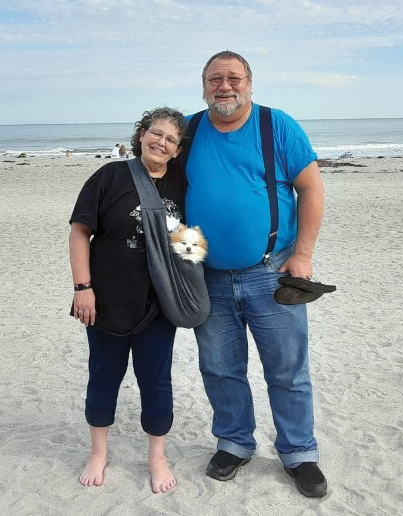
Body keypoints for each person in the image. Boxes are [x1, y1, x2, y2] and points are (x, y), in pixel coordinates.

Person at [184, 51, 327, 497]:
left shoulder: (276, 124)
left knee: (287, 371)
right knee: (220, 368)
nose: (224, 87)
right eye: (214, 79)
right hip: (207, 277)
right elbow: (160, 194)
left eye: (233, 78)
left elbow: (311, 188)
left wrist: (302, 254)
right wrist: (182, 256)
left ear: (249, 82)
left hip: (271, 272)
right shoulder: (187, 131)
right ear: (203, 85)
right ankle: (234, 443)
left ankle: (299, 453)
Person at [69, 107, 187, 493]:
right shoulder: (110, 176)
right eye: (156, 134)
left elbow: (190, 240)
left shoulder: (182, 186)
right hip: (106, 302)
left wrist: (193, 274)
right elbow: (79, 232)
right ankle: (98, 452)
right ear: (141, 135)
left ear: (177, 149)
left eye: (170, 139)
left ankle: (157, 456)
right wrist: (82, 288)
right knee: (104, 377)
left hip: (159, 306)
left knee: (156, 382)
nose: (161, 142)